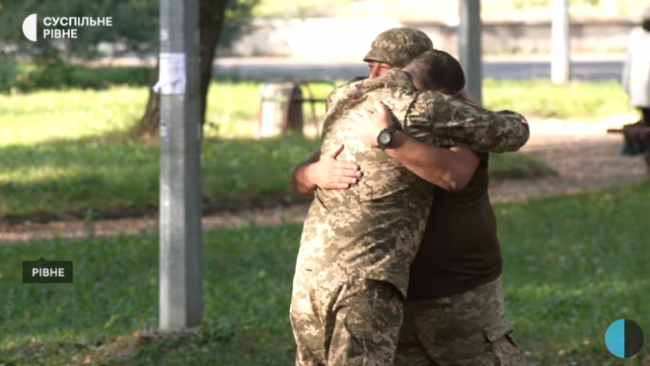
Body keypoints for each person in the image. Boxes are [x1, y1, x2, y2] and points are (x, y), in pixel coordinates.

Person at [290, 27, 527, 366]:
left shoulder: (440, 113)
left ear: (414, 72)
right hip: (381, 291)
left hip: (453, 294)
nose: (372, 77)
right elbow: (299, 176)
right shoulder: (360, 111)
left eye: (383, 69)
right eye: (370, 66)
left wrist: (389, 137)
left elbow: (453, 175)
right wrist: (313, 174)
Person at [621, 6, 650, 163]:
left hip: (639, 94)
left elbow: (628, 67)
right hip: (642, 94)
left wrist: (626, 89)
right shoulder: (635, 36)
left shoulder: (635, 35)